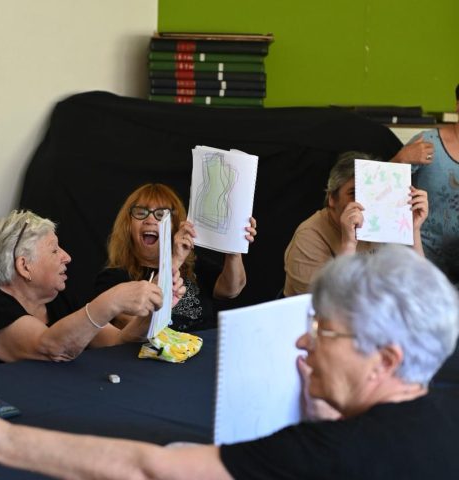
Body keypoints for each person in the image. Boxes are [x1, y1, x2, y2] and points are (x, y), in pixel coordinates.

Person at [0, 245, 459, 479]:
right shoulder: (444, 412)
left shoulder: (325, 454)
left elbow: (149, 469)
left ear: (385, 360)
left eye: (324, 332)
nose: (303, 341)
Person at [0, 210, 185, 366]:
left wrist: (154, 308)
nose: (67, 257)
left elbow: (118, 341)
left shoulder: (60, 298)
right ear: (25, 266)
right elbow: (51, 348)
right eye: (54, 250)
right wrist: (113, 300)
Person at [94, 183, 257, 331]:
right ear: (128, 226)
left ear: (175, 225)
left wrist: (234, 247)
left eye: (161, 214)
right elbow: (134, 327)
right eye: (141, 212)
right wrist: (175, 260)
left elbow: (231, 290)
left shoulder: (194, 267)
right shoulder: (113, 278)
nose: (150, 219)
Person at [283, 150, 429, 295]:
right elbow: (328, 303)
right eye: (353, 193)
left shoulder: (383, 221)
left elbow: (420, 284)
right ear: (332, 198)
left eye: (370, 192)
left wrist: (413, 229)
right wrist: (348, 244)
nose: (363, 201)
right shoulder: (308, 236)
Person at [391, 83, 459, 284]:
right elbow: (380, 193)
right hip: (419, 264)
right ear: (457, 105)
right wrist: (400, 159)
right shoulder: (426, 144)